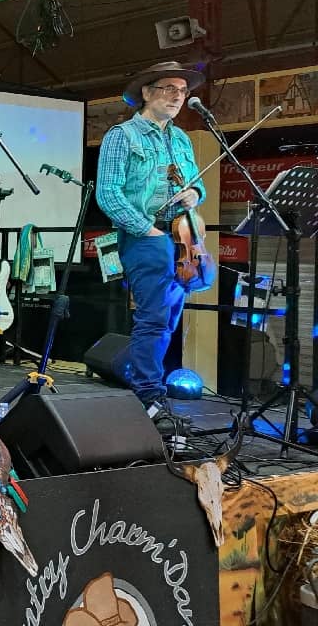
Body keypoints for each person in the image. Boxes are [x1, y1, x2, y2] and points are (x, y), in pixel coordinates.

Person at [96, 61, 206, 432]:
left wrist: (195, 193)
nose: (179, 96)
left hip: (181, 235)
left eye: (183, 90)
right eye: (169, 89)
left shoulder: (181, 139)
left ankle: (144, 382)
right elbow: (108, 193)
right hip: (148, 238)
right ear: (146, 92)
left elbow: (195, 183)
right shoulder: (122, 136)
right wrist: (146, 229)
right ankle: (147, 394)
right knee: (154, 318)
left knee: (169, 318)